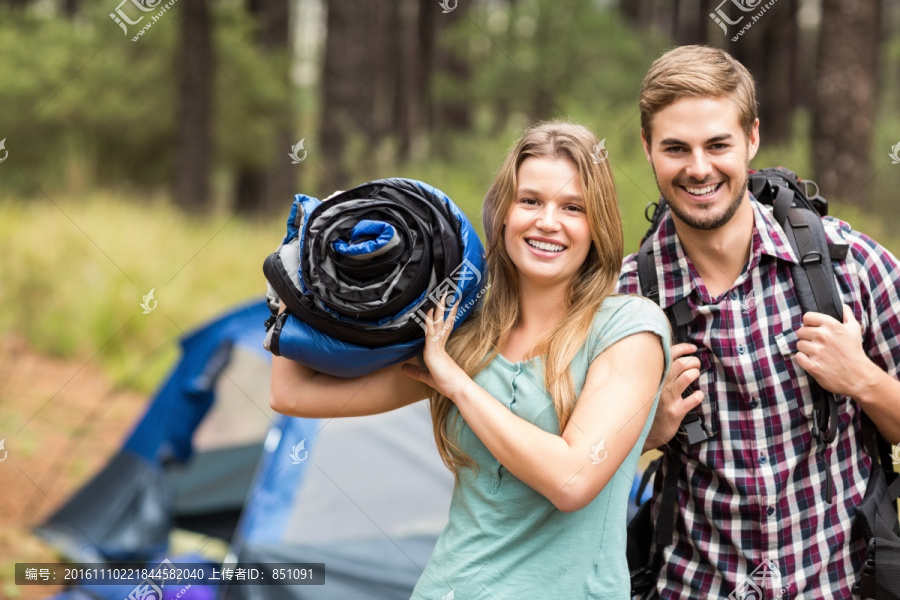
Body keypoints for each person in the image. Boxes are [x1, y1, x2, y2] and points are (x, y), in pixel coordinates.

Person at [270, 121, 672, 598]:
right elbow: (291, 393)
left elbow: (572, 481)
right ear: (503, 214)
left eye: (572, 207)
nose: (547, 221)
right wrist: (298, 279)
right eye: (530, 201)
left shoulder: (628, 328)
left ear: (597, 225)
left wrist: (457, 383)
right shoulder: (462, 334)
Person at [619, 45, 900, 598]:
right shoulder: (626, 301)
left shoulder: (852, 265)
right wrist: (645, 434)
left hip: (843, 585)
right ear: (647, 148)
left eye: (717, 144)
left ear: (751, 139)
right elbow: (575, 473)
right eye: (676, 147)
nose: (698, 168)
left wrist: (862, 380)